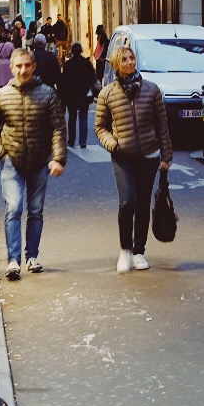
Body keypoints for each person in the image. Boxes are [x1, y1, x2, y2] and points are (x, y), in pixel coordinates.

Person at [0, 47, 66, 279]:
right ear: (11, 68)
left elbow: (58, 128)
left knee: (35, 211)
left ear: (34, 67)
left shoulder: (47, 94)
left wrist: (58, 158)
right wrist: (1, 152)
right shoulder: (2, 95)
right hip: (12, 161)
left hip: (40, 161)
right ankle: (13, 260)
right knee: (13, 208)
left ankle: (32, 256)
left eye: (27, 65)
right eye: (18, 66)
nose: (23, 70)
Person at [95, 44, 172, 272]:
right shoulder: (107, 93)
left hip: (149, 155)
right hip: (123, 156)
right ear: (117, 64)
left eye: (132, 58)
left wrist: (166, 155)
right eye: (125, 59)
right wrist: (113, 144)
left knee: (142, 204)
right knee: (127, 202)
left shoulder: (151, 90)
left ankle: (139, 251)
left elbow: (162, 125)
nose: (130, 62)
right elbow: (100, 127)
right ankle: (125, 249)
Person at [60, 42, 98, 148]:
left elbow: (64, 81)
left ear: (72, 51)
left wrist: (63, 95)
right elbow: (93, 78)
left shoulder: (68, 64)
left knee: (72, 118)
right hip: (84, 95)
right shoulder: (86, 63)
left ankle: (71, 140)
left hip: (71, 96)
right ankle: (83, 141)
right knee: (83, 117)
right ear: (81, 51)